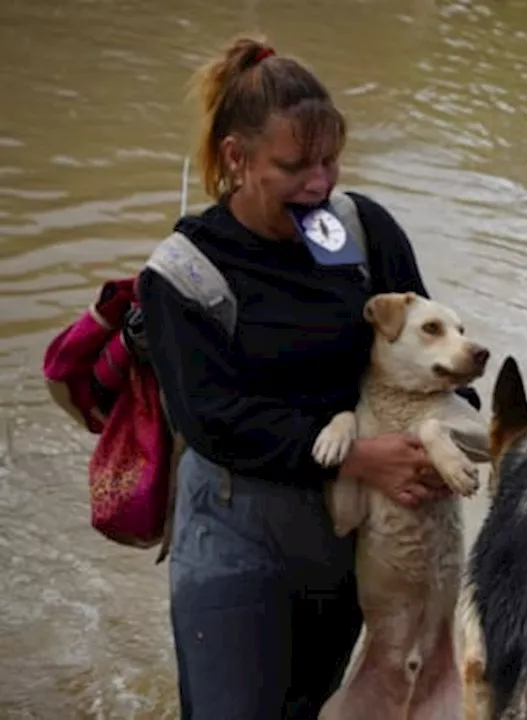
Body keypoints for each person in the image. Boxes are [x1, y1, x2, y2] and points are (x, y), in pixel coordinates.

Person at [137, 35, 479, 719]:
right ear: (237, 158)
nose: (320, 184)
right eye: (295, 166)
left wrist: (437, 441)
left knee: (311, 709)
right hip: (236, 531)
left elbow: (432, 365)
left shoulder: (362, 230)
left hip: (343, 539)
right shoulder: (183, 273)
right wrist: (359, 456)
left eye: (330, 160)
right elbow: (212, 420)